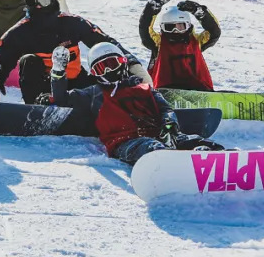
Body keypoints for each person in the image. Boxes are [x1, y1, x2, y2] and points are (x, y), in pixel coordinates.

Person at [0, 0, 149, 104]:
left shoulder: (72, 23)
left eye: (43, 0)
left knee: (104, 67)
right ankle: (36, 108)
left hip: (76, 82)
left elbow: (105, 43)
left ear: (53, 0)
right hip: (43, 88)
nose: (38, 6)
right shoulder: (20, 31)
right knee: (28, 61)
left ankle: (119, 101)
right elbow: (2, 58)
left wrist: (131, 63)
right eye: (32, 0)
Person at [50, 42, 222, 165]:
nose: (109, 71)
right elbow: (62, 99)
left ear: (123, 63)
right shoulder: (94, 93)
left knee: (190, 140)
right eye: (102, 68)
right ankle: (172, 163)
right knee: (151, 148)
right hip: (125, 142)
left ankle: (217, 158)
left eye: (112, 64)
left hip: (158, 133)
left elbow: (165, 109)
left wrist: (170, 126)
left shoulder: (144, 88)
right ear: (95, 74)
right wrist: (58, 72)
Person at [138, 0, 219, 91]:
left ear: (188, 26)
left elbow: (214, 32)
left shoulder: (196, 42)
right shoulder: (159, 43)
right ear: (163, 28)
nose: (175, 31)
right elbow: (145, 29)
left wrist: (200, 12)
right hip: (166, 90)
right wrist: (152, 7)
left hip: (198, 89)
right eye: (170, 27)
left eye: (181, 26)